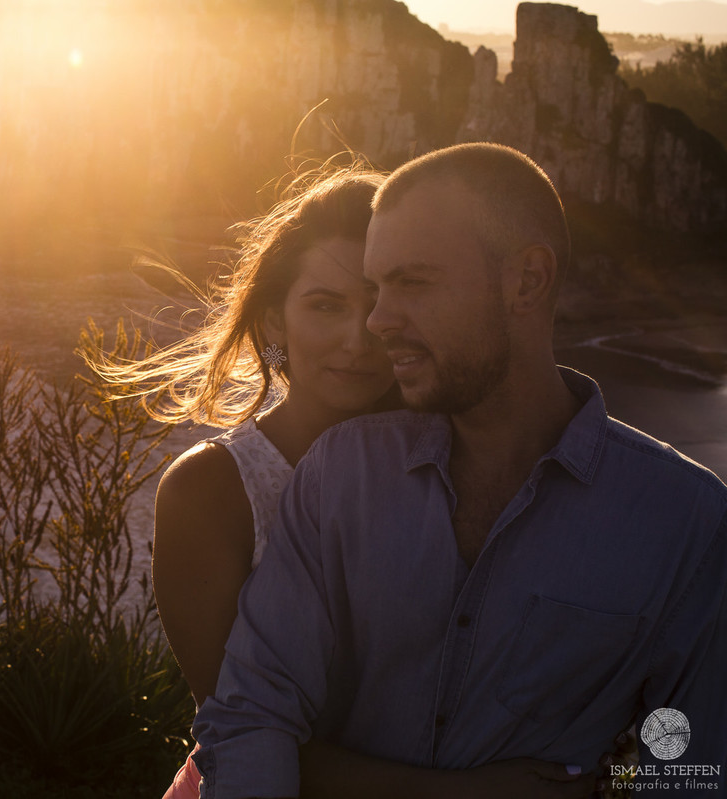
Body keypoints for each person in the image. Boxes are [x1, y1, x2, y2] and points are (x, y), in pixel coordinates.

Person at [191, 142, 727, 799]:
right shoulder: (341, 475)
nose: (378, 322)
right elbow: (252, 715)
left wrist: (610, 778)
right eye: (375, 287)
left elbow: (694, 765)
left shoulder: (686, 521)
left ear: (527, 281)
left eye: (411, 283)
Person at [97, 164, 610, 798]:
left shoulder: (471, 462)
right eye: (323, 305)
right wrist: (467, 792)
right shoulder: (211, 492)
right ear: (275, 320)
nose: (359, 338)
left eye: (379, 303)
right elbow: (241, 728)